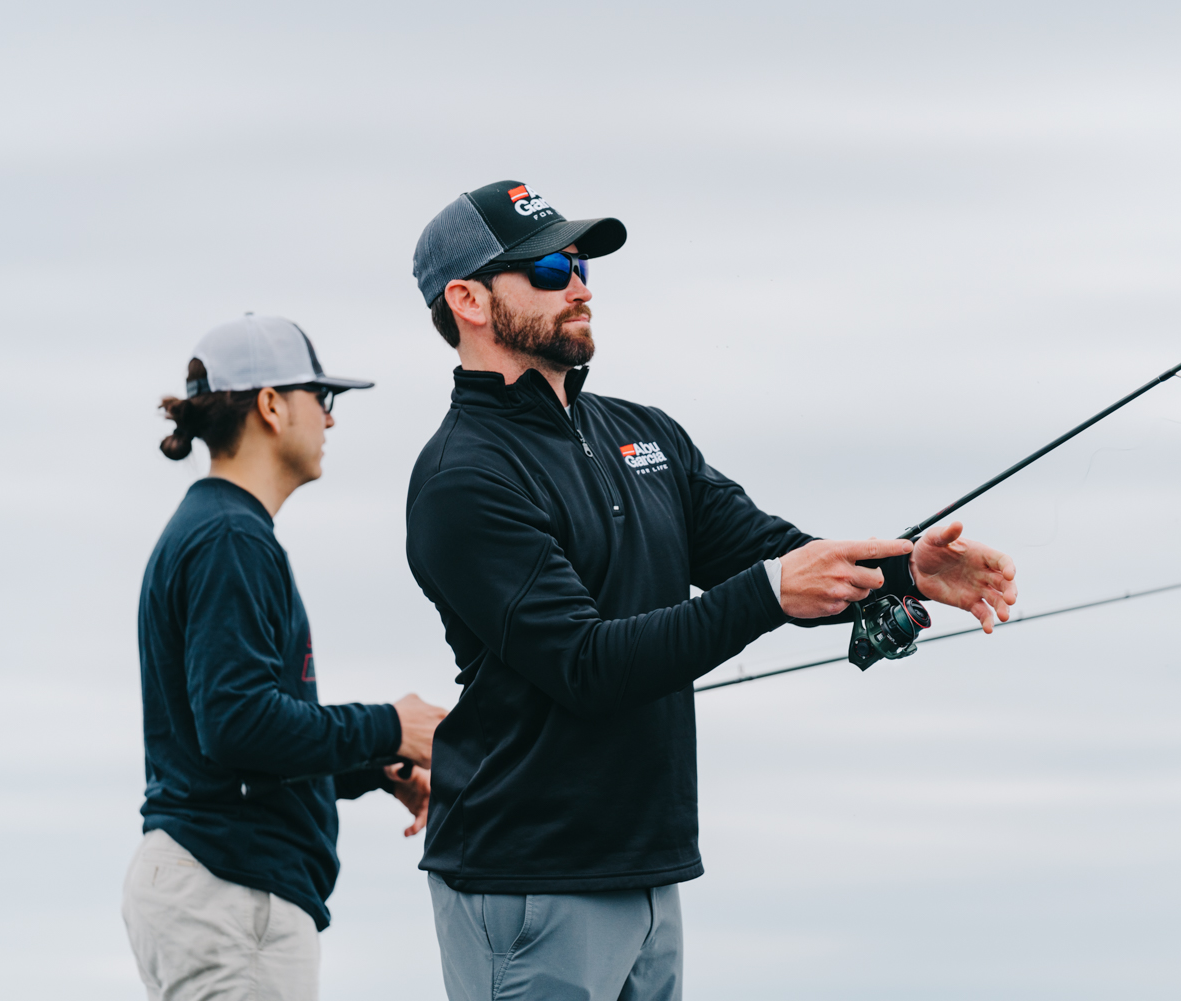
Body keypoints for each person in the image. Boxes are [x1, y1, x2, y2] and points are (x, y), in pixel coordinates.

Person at [405, 182, 1019, 1001]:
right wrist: (768, 593)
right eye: (550, 267)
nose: (581, 284)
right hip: (527, 877)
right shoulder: (463, 477)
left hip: (649, 867)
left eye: (583, 262)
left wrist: (906, 570)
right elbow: (586, 664)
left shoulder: (643, 431)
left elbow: (763, 549)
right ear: (467, 299)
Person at [124, 314, 449, 1001]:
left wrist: (375, 767)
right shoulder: (230, 540)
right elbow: (238, 725)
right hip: (230, 888)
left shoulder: (221, 531)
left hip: (214, 881)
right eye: (321, 400)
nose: (330, 422)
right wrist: (393, 725)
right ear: (271, 404)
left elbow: (235, 749)